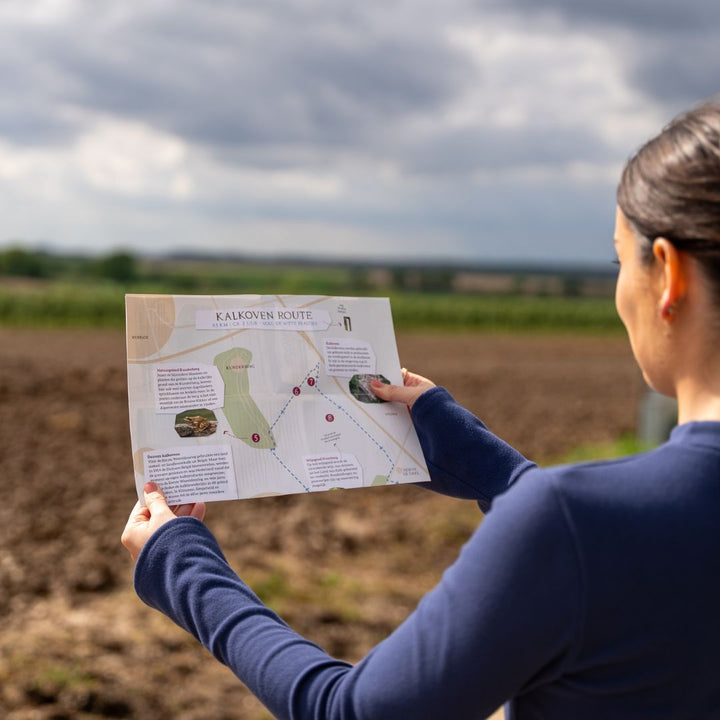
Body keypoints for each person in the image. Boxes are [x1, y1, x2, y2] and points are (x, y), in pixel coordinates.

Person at [122, 100, 720, 719]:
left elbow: (350, 712)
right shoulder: (595, 526)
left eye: (621, 261)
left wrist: (182, 565)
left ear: (669, 275)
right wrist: (502, 475)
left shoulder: (571, 525)